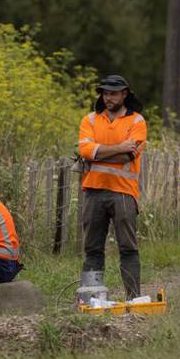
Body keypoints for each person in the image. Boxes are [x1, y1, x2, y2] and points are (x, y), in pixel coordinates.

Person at [77, 74, 148, 299]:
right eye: (105, 93)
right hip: (93, 191)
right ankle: (91, 297)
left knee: (128, 247)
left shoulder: (137, 121)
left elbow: (128, 156)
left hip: (124, 192)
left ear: (125, 94)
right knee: (92, 248)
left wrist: (98, 152)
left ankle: (133, 297)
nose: (108, 97)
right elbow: (84, 151)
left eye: (113, 93)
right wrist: (118, 147)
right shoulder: (89, 119)